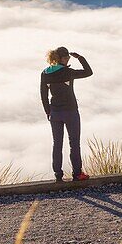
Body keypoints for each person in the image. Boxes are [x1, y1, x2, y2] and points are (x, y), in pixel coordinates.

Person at [41, 46, 93, 182]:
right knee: (74, 143)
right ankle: (77, 174)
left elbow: (43, 95)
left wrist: (48, 111)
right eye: (67, 57)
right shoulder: (68, 72)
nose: (68, 59)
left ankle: (58, 174)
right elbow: (88, 72)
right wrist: (80, 58)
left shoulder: (45, 73)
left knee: (57, 144)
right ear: (62, 58)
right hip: (70, 111)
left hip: (55, 113)